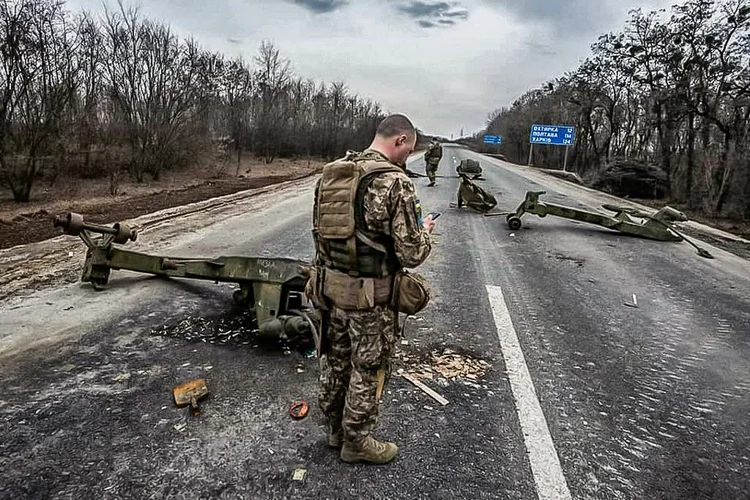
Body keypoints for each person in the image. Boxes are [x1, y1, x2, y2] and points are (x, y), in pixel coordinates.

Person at [308, 114, 435, 464]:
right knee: (368, 367)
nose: (407, 156)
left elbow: (319, 235)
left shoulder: (332, 173)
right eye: (408, 149)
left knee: (335, 361)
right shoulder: (394, 182)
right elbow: (412, 253)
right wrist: (425, 232)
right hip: (370, 299)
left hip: (329, 290)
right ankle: (357, 442)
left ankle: (335, 429)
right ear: (401, 141)